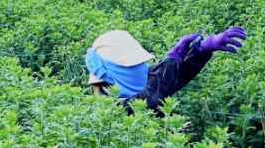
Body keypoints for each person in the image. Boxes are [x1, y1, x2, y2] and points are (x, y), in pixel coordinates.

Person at [85, 27, 247, 112]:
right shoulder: (106, 108)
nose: (139, 68)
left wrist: (202, 51)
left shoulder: (135, 80)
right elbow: (148, 99)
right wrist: (172, 58)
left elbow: (170, 79)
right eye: (130, 64)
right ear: (110, 70)